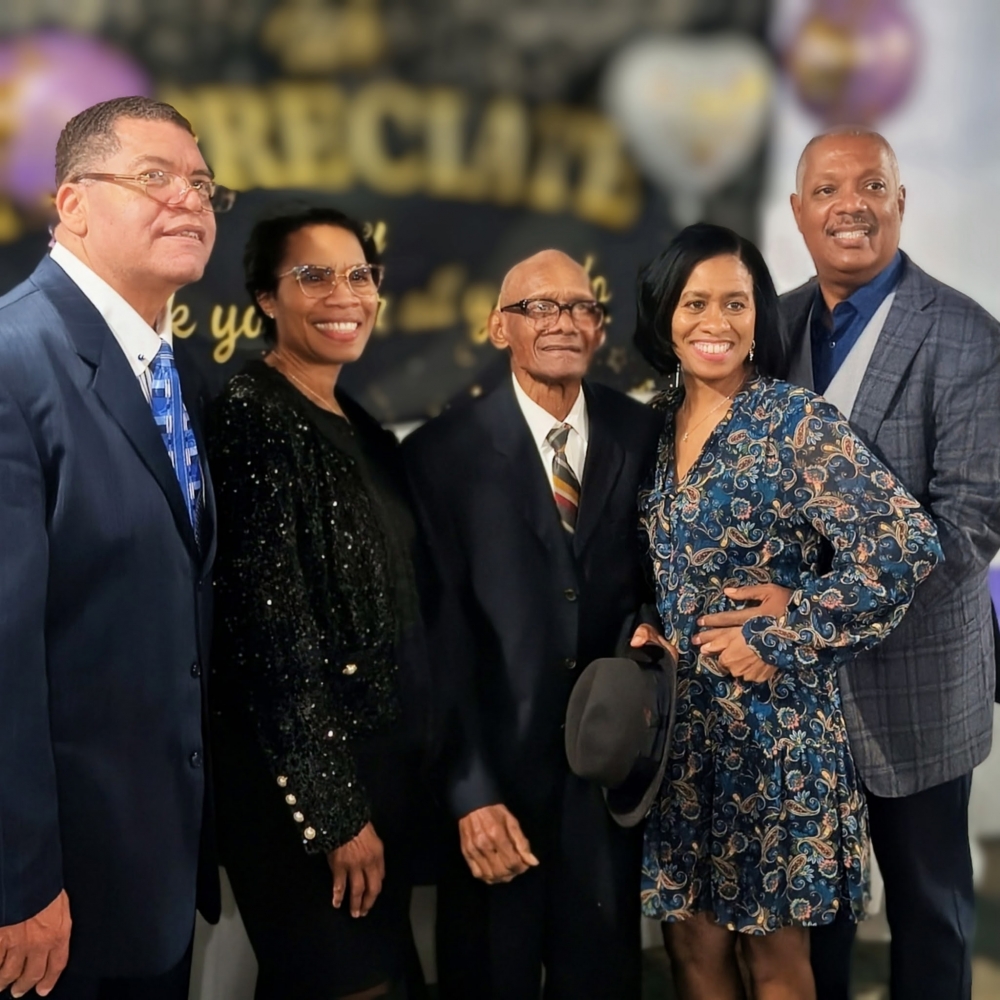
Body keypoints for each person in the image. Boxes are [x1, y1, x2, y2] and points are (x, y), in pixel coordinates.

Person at [702, 128, 1000, 1000]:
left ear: (901, 203)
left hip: (918, 689)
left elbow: (970, 528)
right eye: (828, 190)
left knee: (931, 917)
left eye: (873, 185)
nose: (851, 206)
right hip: (795, 702)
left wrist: (807, 613)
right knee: (813, 926)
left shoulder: (967, 336)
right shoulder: (769, 327)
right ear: (798, 212)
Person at [632, 223, 942, 1000]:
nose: (715, 321)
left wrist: (788, 628)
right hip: (680, 736)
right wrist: (645, 624)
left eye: (735, 303)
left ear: (757, 316)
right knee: (692, 951)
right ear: (665, 314)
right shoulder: (654, 426)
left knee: (772, 963)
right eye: (695, 302)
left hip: (774, 735)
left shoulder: (794, 422)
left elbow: (905, 543)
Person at [0, 97, 230, 999]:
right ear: (73, 203)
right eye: (154, 177)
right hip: (52, 893)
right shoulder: (15, 360)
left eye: (203, 185)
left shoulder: (177, 372)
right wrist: (18, 878)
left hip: (156, 866)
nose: (189, 200)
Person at [403, 249, 663, 999]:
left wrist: (651, 627)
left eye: (581, 307)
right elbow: (434, 639)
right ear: (498, 328)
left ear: (599, 328)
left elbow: (662, 575)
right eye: (539, 307)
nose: (563, 322)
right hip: (495, 795)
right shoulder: (438, 455)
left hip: (606, 787)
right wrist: (470, 793)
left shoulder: (644, 435)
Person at [207, 207, 430, 1000]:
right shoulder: (252, 417)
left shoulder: (359, 422)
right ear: (266, 298)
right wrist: (333, 813)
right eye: (314, 276)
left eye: (359, 275)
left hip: (378, 777)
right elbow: (273, 638)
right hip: (303, 798)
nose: (345, 295)